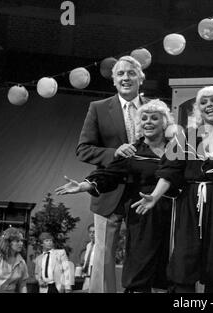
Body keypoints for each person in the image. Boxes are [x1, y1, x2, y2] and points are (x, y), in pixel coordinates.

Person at [132, 86, 213, 293]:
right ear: (198, 109)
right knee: (183, 261)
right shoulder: (186, 138)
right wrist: (154, 196)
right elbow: (170, 171)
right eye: (204, 102)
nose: (209, 105)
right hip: (189, 205)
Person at [56, 99, 177, 293]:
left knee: (172, 269)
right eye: (144, 118)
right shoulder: (133, 151)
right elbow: (110, 174)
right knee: (141, 265)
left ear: (165, 123)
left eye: (154, 118)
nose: (148, 121)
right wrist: (86, 184)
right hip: (143, 216)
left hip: (175, 216)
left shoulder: (177, 149)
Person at [76, 55, 147, 293]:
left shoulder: (155, 108)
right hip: (109, 192)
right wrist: (113, 152)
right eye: (120, 74)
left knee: (142, 254)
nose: (126, 77)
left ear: (141, 78)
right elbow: (83, 149)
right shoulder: (97, 108)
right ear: (113, 81)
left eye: (131, 73)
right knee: (104, 256)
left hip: (145, 193)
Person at [0, 227, 28, 293]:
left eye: (22, 241)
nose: (21, 243)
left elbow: (23, 285)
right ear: (8, 242)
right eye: (17, 241)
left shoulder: (21, 262)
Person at [79, 223, 95, 291]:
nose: (91, 234)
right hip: (87, 277)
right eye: (90, 232)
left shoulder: (101, 246)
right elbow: (87, 261)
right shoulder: (88, 245)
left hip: (95, 278)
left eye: (94, 232)